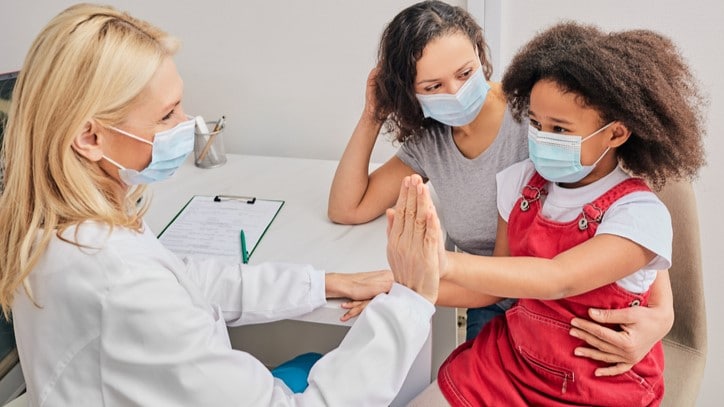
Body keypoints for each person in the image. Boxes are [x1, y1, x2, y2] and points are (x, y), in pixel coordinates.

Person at [0, 4, 443, 406]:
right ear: (90, 138)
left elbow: (186, 280)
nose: (187, 125)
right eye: (166, 114)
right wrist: (412, 300)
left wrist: (325, 283)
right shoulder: (120, 283)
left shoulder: (65, 222)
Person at [328, 0, 673, 373]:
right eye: (433, 86)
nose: (456, 92)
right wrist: (371, 116)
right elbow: (349, 208)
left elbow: (627, 211)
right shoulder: (433, 144)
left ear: (480, 52)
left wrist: (663, 314)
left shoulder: (541, 121)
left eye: (464, 72)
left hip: (572, 302)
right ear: (411, 94)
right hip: (489, 296)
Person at [403, 21, 706, 405]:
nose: (542, 140)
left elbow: (556, 278)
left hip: (595, 387)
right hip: (509, 363)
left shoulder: (639, 214)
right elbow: (498, 282)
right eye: (534, 123)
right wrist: (399, 287)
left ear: (616, 134)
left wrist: (432, 263)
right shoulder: (518, 184)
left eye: (560, 130)